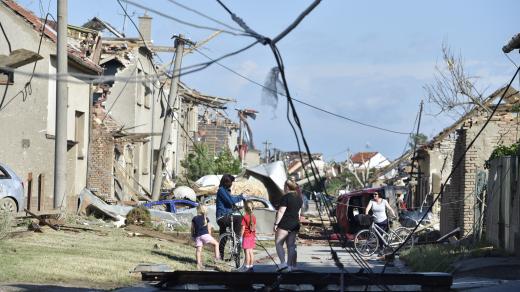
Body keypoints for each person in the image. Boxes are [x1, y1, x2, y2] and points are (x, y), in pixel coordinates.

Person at [274, 179, 303, 272]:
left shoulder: (286, 197)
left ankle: (283, 264)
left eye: (284, 186)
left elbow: (281, 211)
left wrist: (276, 223)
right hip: (294, 224)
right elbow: (299, 213)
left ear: (287, 187)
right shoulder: (299, 198)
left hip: (285, 224)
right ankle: (290, 265)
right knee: (291, 246)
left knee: (279, 243)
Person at [191, 204, 220, 270]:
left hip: (197, 236)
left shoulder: (194, 218)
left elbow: (192, 228)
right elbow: (209, 229)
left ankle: (198, 265)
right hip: (205, 235)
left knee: (198, 250)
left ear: (198, 210)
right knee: (216, 244)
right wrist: (209, 237)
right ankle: (217, 260)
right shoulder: (206, 218)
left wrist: (192, 236)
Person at [216, 174, 244, 238]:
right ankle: (237, 240)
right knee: (239, 218)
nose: (231, 184)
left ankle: (220, 247)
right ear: (226, 182)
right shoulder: (221, 190)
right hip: (222, 216)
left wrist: (236, 208)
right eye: (231, 182)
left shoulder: (226, 191)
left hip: (225, 215)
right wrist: (241, 197)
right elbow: (231, 201)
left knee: (223, 236)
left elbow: (228, 204)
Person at [240, 200, 257, 272]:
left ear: (245, 208)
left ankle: (247, 266)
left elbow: (243, 228)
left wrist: (240, 236)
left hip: (246, 236)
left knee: (247, 251)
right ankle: (251, 266)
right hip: (252, 236)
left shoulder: (245, 217)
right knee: (251, 252)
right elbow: (254, 227)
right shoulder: (254, 217)